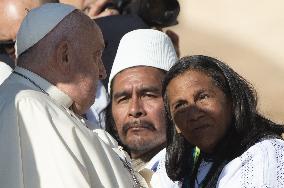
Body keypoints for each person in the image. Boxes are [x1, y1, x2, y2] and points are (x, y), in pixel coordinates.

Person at [0, 4, 147, 188]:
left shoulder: (51, 105)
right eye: (96, 56)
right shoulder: (31, 107)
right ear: (65, 55)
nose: (102, 71)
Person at [151, 55, 284, 187]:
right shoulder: (187, 162)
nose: (194, 115)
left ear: (232, 99)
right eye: (180, 105)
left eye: (203, 97)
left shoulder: (263, 156)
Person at [106, 29, 178, 180]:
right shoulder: (104, 172)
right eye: (123, 98)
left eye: (148, 95)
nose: (134, 109)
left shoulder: (200, 173)